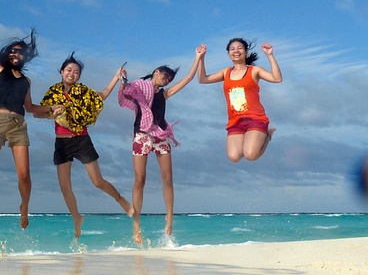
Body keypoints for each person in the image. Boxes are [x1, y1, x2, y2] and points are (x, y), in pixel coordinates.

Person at [0, 29, 63, 232]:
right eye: (13, 51)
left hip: (18, 125)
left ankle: (24, 209)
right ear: (8, 53)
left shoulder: (26, 81)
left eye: (20, 52)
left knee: (24, 175)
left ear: (25, 57)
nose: (15, 54)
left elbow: (31, 108)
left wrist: (51, 108)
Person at [40, 54, 134, 238]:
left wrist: (117, 76)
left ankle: (121, 201)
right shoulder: (53, 92)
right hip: (61, 142)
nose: (72, 74)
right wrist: (52, 110)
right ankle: (77, 218)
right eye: (68, 70)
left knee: (97, 181)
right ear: (61, 71)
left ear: (79, 76)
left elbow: (104, 95)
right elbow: (38, 113)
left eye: (76, 72)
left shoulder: (83, 91)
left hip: (81, 139)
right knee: (65, 186)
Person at [118, 48, 203, 245]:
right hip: (141, 135)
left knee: (167, 177)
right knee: (140, 179)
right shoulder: (140, 88)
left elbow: (188, 79)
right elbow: (126, 92)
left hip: (160, 135)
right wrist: (123, 79)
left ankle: (169, 218)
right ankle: (136, 226)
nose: (166, 81)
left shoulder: (164, 95)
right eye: (165, 76)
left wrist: (198, 58)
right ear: (156, 71)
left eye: (169, 80)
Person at [197, 38, 282, 163]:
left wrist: (270, 55)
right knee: (234, 157)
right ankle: (260, 136)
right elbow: (202, 79)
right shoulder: (226, 72)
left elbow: (277, 78)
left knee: (250, 155)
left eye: (240, 48)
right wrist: (201, 57)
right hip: (235, 121)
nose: (236, 51)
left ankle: (267, 135)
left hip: (255, 118)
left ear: (246, 52)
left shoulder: (254, 70)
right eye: (232, 49)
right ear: (228, 54)